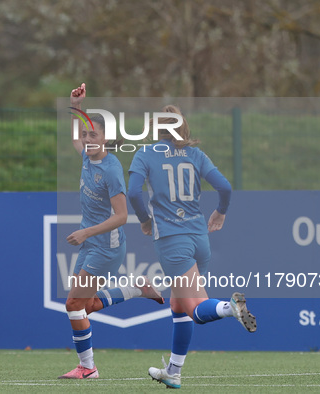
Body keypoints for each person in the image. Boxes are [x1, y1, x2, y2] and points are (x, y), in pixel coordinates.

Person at [127, 105, 256, 389]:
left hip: (173, 241)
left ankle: (229, 307)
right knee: (177, 305)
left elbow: (134, 192)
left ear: (156, 129)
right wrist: (220, 212)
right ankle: (173, 371)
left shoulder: (146, 154)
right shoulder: (195, 154)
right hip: (200, 239)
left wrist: (145, 220)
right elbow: (224, 187)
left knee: (195, 309)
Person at [59, 83, 164, 380]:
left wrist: (85, 233)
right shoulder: (87, 157)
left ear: (107, 139)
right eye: (86, 135)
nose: (87, 140)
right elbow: (74, 137)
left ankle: (89, 368)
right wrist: (75, 106)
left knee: (73, 304)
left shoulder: (111, 170)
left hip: (105, 248)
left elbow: (122, 216)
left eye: (94, 135)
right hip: (92, 245)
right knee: (87, 305)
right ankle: (137, 288)